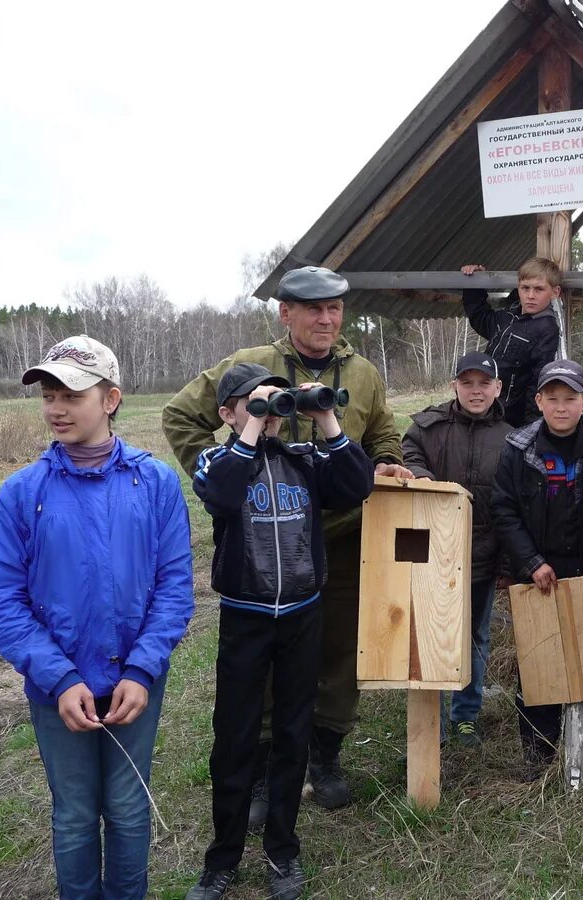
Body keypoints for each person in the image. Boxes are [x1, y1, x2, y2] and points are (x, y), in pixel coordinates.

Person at [162, 266, 412, 824]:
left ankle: (324, 755)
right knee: (268, 661)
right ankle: (264, 767)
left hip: (343, 537)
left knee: (342, 648)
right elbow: (181, 414)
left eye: (335, 309)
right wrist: (228, 476)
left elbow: (383, 433)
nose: (327, 319)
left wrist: (391, 460)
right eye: (313, 309)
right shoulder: (252, 363)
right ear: (286, 313)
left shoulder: (364, 373)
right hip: (263, 543)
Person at [0, 335, 194, 900]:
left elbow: (174, 586)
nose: (56, 407)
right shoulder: (22, 492)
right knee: (74, 814)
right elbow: (2, 598)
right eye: (48, 394)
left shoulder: (156, 483)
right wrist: (59, 676)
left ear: (111, 398)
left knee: (127, 807)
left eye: (72, 393)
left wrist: (143, 669)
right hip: (57, 689)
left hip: (133, 685)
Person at [186, 365, 375, 900]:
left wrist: (326, 419)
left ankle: (282, 852)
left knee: (293, 736)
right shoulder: (216, 460)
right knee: (235, 738)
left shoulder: (303, 458)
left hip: (301, 615)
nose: (267, 411)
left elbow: (356, 485)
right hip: (245, 617)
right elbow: (220, 496)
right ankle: (221, 859)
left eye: (273, 401)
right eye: (251, 402)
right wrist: (251, 428)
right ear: (227, 414)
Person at [491, 359, 583, 780]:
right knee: (539, 661)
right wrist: (531, 563)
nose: (561, 407)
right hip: (539, 571)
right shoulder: (518, 449)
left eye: (570, 398)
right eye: (552, 398)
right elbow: (504, 510)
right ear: (538, 401)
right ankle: (540, 754)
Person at [401, 351, 513, 747]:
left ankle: (465, 715)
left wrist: (507, 560)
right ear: (455, 386)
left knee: (474, 636)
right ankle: (429, 719)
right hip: (431, 552)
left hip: (482, 554)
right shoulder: (428, 426)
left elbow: (512, 502)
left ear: (497, 388)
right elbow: (406, 451)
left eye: (484, 383)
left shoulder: (510, 437)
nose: (476, 391)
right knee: (425, 632)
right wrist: (421, 475)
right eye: (468, 383)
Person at [460, 257, 562, 427]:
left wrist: (531, 430)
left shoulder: (546, 329)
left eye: (539, 289)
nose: (530, 295)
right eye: (525, 288)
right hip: (483, 407)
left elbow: (537, 382)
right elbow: (480, 317)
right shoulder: (507, 316)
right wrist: (474, 283)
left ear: (555, 292)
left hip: (510, 418)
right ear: (518, 288)